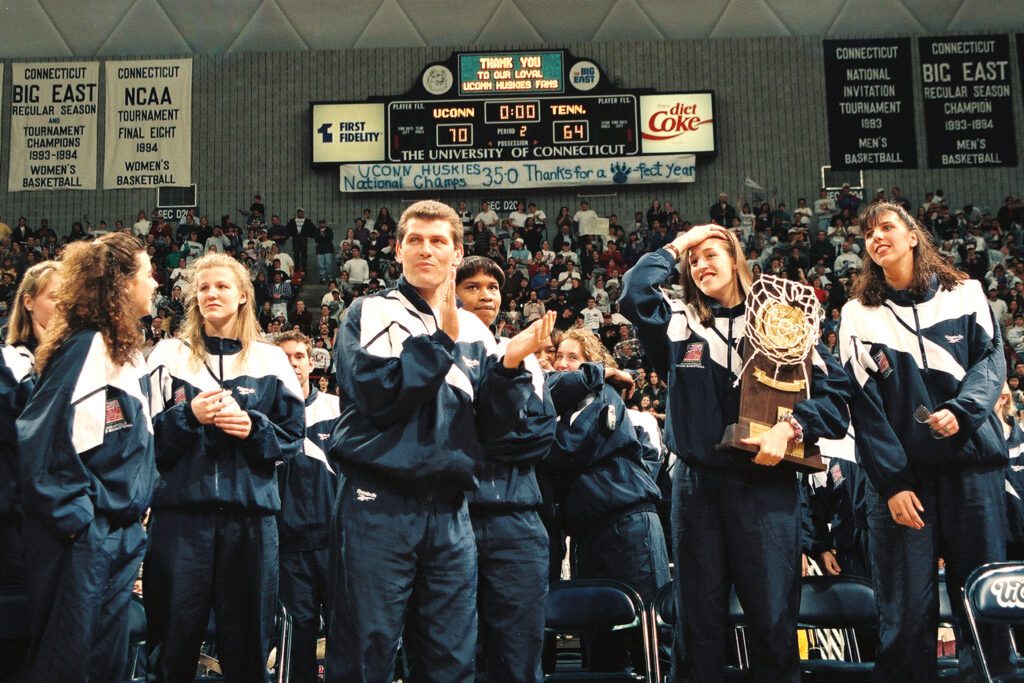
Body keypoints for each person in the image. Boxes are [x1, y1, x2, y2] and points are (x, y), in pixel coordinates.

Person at [325, 200, 552, 682]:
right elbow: (375, 396)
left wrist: (510, 364)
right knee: (367, 649)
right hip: (378, 503)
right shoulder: (368, 311)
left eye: (438, 241)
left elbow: (491, 429)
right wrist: (439, 343)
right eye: (416, 240)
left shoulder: (475, 330)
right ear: (398, 249)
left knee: (451, 658)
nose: (426, 250)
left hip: (451, 511)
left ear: (456, 252)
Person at [619, 224, 850, 682]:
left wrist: (791, 428)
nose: (701, 264)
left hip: (765, 486)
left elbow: (836, 397)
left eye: (711, 254)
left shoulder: (786, 317)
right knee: (697, 625)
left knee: (772, 622)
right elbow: (633, 292)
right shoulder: (679, 319)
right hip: (697, 488)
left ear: (736, 258)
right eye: (693, 260)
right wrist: (679, 243)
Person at [839, 201, 1011, 681]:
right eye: (868, 233)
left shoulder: (967, 294)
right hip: (905, 485)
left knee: (982, 607)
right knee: (906, 616)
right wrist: (892, 483)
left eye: (887, 227)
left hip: (972, 474)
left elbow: (992, 363)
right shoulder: (858, 315)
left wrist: (964, 411)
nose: (877, 237)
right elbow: (863, 407)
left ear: (913, 236)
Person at [144, 252, 305, 682]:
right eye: (203, 288)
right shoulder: (167, 355)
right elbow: (143, 444)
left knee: (249, 648)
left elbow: (292, 440)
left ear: (242, 297)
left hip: (250, 522)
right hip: (180, 521)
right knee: (171, 646)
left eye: (221, 287)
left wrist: (253, 428)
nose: (211, 294)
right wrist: (187, 416)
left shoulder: (271, 361)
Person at [17, 233, 158, 682]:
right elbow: (41, 442)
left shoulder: (122, 352)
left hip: (116, 535)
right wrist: (81, 524)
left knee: (103, 665)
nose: (155, 283)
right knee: (67, 665)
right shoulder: (86, 346)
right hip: (85, 540)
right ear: (121, 284)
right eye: (148, 274)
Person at [454, 256, 557, 683]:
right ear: (451, 294)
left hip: (517, 519)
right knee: (456, 653)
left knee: (518, 657)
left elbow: (540, 436)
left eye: (492, 288)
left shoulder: (523, 357)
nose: (485, 295)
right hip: (452, 517)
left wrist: (480, 433)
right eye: (472, 287)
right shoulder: (439, 351)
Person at [546, 327, 669, 671]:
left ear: (593, 366)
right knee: (598, 645)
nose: (563, 363)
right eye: (560, 356)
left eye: (574, 357)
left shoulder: (602, 394)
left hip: (627, 524)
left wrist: (525, 437)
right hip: (587, 532)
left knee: (648, 635)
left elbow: (567, 449)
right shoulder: (560, 405)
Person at [274, 331, 341, 683]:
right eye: (284, 356)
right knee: (296, 640)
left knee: (343, 636)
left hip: (335, 545)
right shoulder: (265, 415)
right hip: (288, 548)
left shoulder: (336, 408)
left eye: (298, 356)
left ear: (311, 362)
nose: (292, 363)